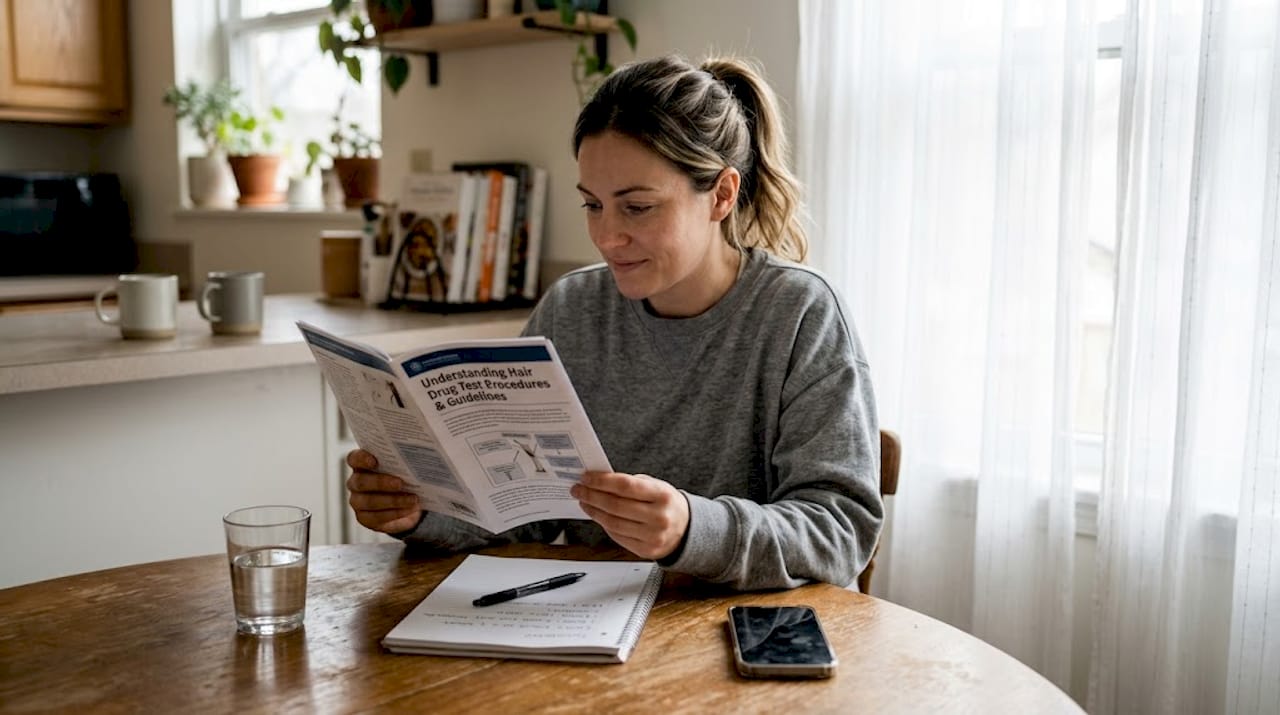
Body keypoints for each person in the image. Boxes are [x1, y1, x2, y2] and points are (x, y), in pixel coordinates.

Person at [345, 54, 883, 591]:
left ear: (721, 195)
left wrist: (692, 528)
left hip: (731, 633)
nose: (606, 237)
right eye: (593, 205)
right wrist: (419, 513)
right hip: (583, 625)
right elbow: (527, 512)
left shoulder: (800, 314)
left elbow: (841, 532)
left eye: (637, 207)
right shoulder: (571, 309)